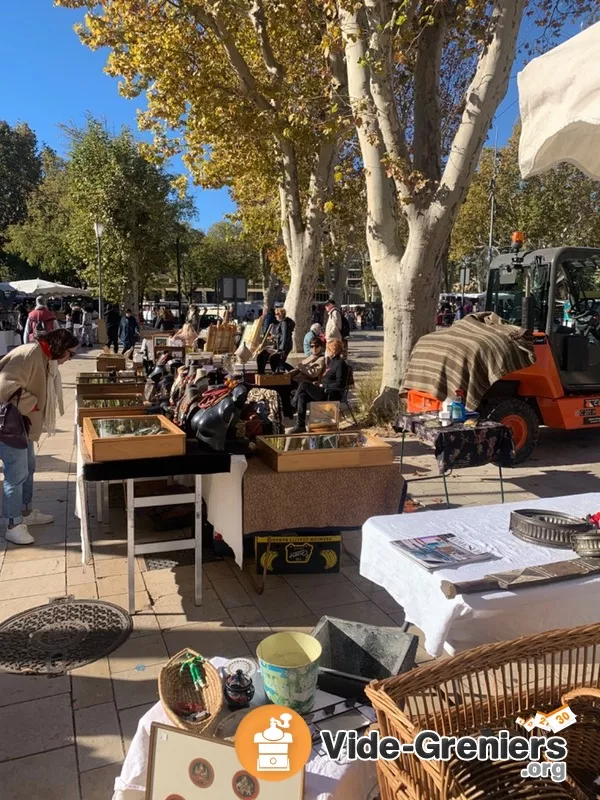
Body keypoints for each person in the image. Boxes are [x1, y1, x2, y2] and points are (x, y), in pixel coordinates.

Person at [0, 328, 79, 545]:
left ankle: (24, 512)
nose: (69, 359)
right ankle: (12, 524)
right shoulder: (29, 354)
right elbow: (3, 386)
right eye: (70, 353)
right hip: (10, 424)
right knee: (15, 474)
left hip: (22, 423)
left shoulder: (42, 355)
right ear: (60, 347)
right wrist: (31, 404)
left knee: (29, 467)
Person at [291, 339, 349, 432]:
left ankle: (292, 404)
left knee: (304, 385)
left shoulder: (340, 364)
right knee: (302, 396)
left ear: (332, 350)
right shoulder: (332, 362)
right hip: (324, 390)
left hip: (330, 393)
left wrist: (324, 386)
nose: (326, 351)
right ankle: (300, 425)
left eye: (328, 349)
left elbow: (340, 384)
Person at [256, 308, 295, 374]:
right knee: (279, 362)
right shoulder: (282, 322)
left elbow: (285, 336)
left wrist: (281, 349)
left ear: (281, 314)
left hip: (284, 346)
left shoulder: (284, 323)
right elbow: (281, 335)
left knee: (279, 362)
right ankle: (282, 373)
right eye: (275, 314)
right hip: (284, 346)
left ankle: (292, 370)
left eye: (277, 314)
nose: (275, 315)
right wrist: (275, 337)